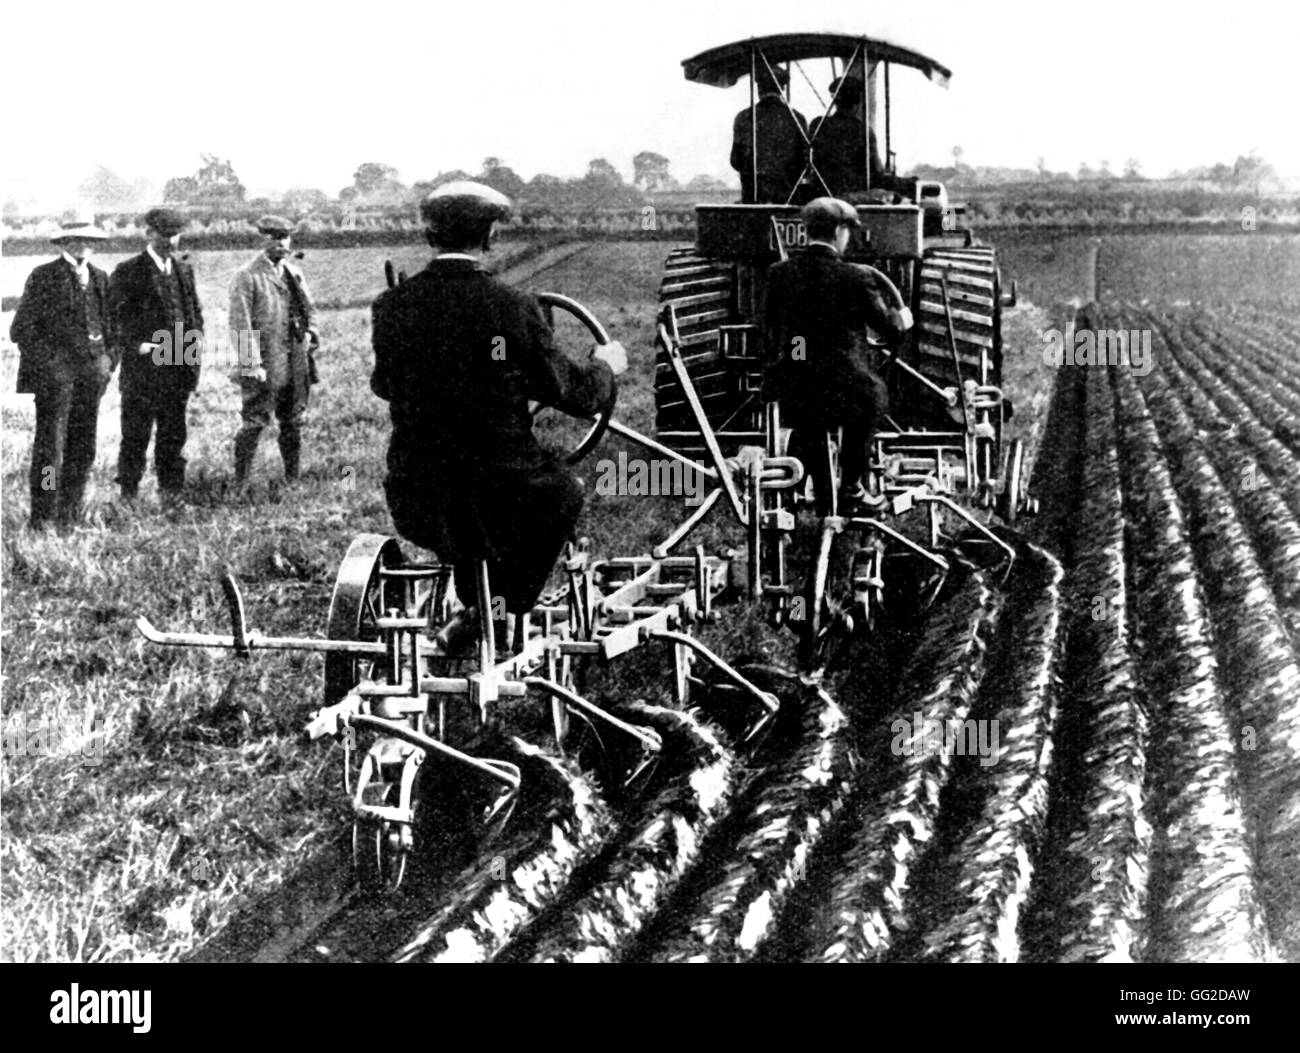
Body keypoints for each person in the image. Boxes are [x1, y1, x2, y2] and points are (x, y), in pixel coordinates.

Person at [371, 181, 627, 639]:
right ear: (492, 236)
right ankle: (502, 609)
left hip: (416, 495)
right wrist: (604, 367)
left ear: (430, 236)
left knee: (473, 508)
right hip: (503, 492)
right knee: (563, 493)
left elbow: (384, 385)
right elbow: (576, 394)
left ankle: (477, 607)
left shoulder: (391, 306)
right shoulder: (512, 307)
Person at [762, 197, 913, 512]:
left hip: (796, 377)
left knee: (809, 415)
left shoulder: (780, 273)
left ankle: (818, 487)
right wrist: (902, 320)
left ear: (807, 231)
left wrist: (800, 354)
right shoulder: (857, 277)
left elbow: (776, 329)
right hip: (847, 384)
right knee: (871, 398)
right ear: (840, 232)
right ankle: (851, 487)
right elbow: (889, 329)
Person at [10, 217, 117, 529]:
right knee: (50, 452)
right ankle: (43, 516)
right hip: (55, 382)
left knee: (83, 447)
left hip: (92, 378)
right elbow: (22, 330)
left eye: (90, 239)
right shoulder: (44, 276)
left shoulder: (100, 278)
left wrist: (108, 362)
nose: (84, 244)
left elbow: (114, 329)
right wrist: (52, 367)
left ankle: (70, 513)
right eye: (76, 238)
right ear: (64, 242)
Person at [109, 207, 204, 503]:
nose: (171, 241)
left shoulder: (184, 270)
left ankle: (171, 495)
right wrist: (137, 345)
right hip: (143, 371)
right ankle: (128, 496)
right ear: (149, 233)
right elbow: (112, 319)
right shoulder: (128, 271)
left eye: (175, 235)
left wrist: (194, 343)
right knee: (135, 437)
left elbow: (194, 314)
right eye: (164, 234)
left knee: (173, 436)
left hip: (178, 368)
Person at [228, 215, 319, 485]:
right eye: (274, 237)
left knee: (293, 422)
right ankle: (240, 483)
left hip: (295, 361)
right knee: (254, 422)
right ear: (262, 239)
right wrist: (251, 364)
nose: (281, 243)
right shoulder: (247, 276)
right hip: (264, 365)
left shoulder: (294, 274)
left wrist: (312, 332)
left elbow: (310, 309)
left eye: (285, 237)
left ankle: (292, 479)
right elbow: (240, 323)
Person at [730, 64, 809, 204]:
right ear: (782, 88)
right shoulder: (797, 118)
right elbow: (805, 161)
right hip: (788, 196)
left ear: (759, 88)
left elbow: (736, 160)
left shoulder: (743, 117)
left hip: (754, 196)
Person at [809, 75, 885, 198]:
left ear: (835, 101)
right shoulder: (865, 132)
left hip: (821, 196)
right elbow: (877, 172)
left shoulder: (818, 125)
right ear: (859, 103)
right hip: (853, 198)